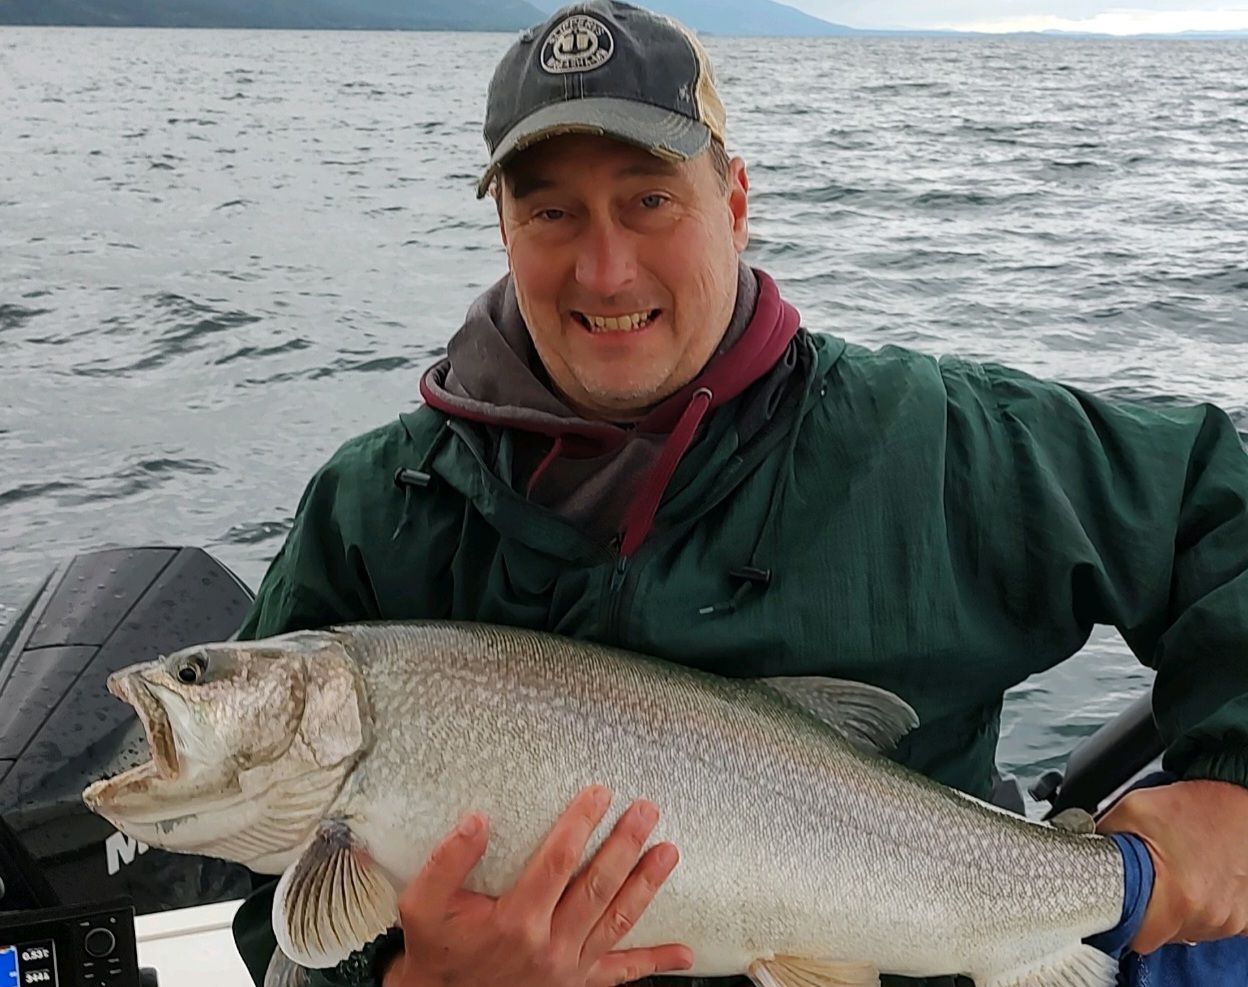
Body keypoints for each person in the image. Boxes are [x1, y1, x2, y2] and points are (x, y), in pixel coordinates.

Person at [230, 2, 1248, 985]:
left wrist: (1235, 787)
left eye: (650, 198)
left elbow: (1217, 497)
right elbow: (267, 910)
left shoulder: (934, 445)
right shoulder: (374, 514)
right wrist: (409, 983)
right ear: (503, 228)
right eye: (550, 210)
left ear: (736, 201)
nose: (606, 267)